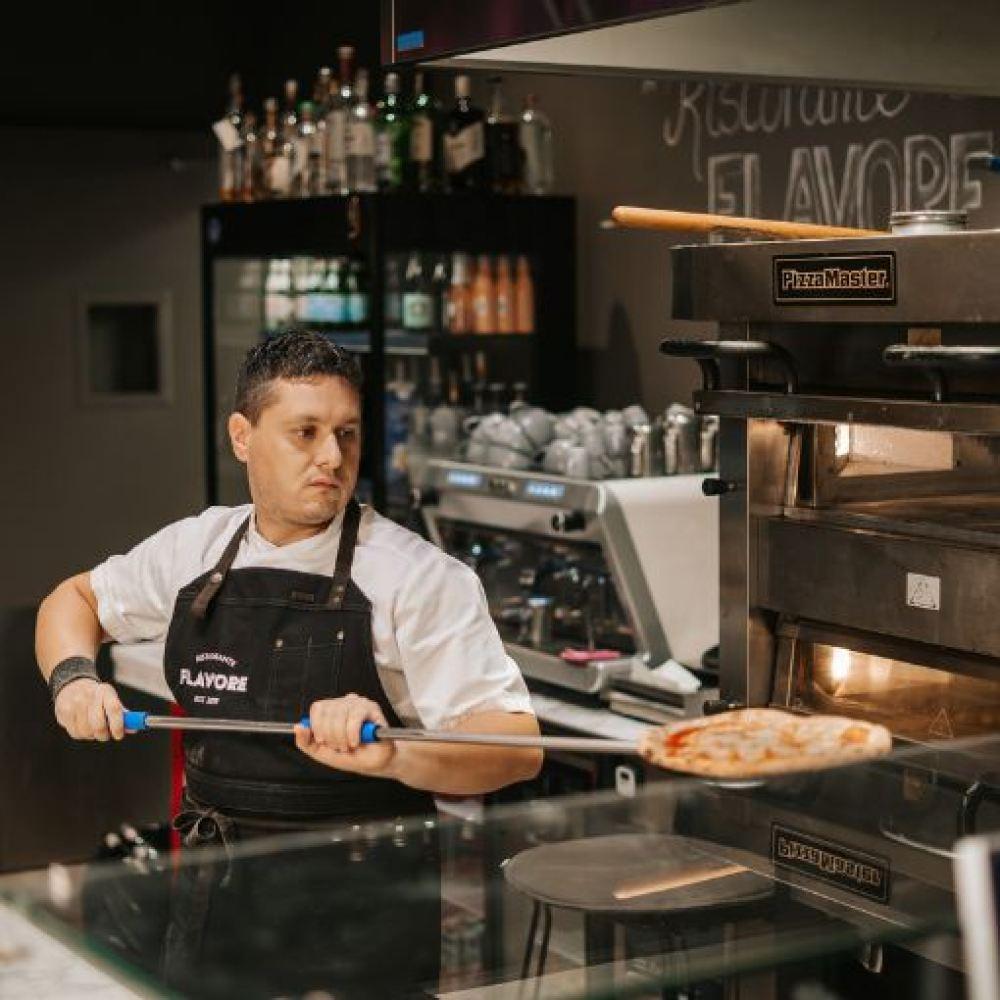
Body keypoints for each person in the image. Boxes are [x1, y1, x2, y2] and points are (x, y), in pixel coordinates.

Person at [35, 329, 542, 996]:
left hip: (359, 922)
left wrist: (395, 752)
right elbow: (75, 599)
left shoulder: (414, 578)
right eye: (305, 433)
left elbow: (516, 745)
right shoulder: (200, 549)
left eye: (347, 434)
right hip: (214, 906)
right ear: (243, 437)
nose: (332, 456)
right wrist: (74, 680)